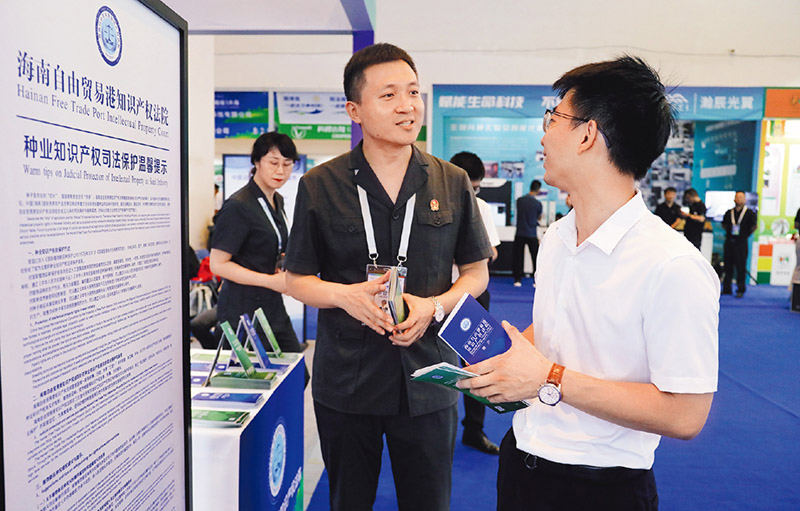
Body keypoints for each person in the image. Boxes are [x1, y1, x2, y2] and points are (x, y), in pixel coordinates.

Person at [458, 56, 719, 511]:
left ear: (587, 134)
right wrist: (508, 356)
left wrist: (549, 378)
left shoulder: (672, 265)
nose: (543, 135)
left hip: (602, 487)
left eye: (553, 118)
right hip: (523, 460)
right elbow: (558, 331)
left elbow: (686, 414)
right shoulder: (558, 236)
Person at [283, 43, 491, 511]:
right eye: (389, 95)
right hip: (348, 381)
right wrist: (344, 296)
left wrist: (433, 306)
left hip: (429, 377)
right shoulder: (320, 185)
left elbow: (476, 272)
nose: (407, 106)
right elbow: (296, 280)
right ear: (355, 110)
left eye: (413, 92)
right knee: (348, 501)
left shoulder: (452, 181)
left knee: (429, 502)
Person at [210, 132, 305, 357]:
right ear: (256, 162)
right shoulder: (238, 205)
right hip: (242, 308)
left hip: (271, 304)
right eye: (273, 162)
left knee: (295, 368)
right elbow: (218, 264)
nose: (280, 171)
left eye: (287, 164)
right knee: (251, 375)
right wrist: (270, 281)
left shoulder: (276, 200)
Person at [450, 151, 502, 455]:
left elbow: (491, 253)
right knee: (426, 362)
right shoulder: (429, 202)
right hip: (433, 294)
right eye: (469, 187)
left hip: (473, 295)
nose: (472, 193)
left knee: (477, 365)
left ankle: (474, 429)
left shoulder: (480, 208)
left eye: (476, 188)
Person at [721, 191, 757, 297]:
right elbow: (724, 225)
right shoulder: (729, 212)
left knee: (741, 267)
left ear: (745, 200)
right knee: (728, 266)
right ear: (734, 199)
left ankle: (740, 289)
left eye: (741, 197)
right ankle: (727, 289)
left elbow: (754, 226)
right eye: (737, 197)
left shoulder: (749, 213)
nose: (739, 199)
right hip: (729, 242)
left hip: (741, 243)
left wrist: (745, 235)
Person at [513, 180, 543, 286]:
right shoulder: (538, 204)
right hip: (532, 233)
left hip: (520, 232)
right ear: (538, 190)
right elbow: (539, 217)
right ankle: (536, 281)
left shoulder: (520, 201)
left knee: (518, 257)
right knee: (535, 258)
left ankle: (517, 280)